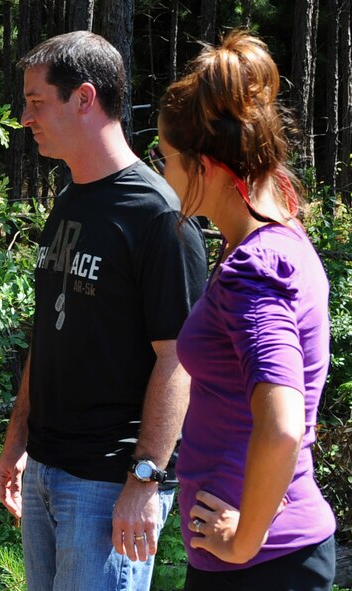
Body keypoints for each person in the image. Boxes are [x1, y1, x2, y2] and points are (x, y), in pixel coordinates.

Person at [0, 31, 207, 591]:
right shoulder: (68, 201)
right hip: (46, 469)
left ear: (84, 98)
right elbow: (50, 331)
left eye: (36, 102)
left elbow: (180, 360)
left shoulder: (158, 215)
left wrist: (145, 480)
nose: (25, 118)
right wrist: (18, 440)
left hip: (108, 485)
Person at [156, 31, 336, 590]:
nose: (164, 176)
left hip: (261, 566)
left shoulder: (254, 271)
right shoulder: (276, 240)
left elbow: (282, 427)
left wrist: (244, 540)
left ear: (205, 167)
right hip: (261, 561)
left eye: (167, 160)